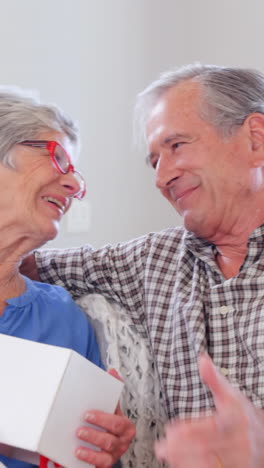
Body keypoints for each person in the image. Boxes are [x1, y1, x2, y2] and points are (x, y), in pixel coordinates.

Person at [21, 63, 264, 467]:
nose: (162, 176)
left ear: (255, 139)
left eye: (177, 146)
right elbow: (25, 264)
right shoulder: (151, 261)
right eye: (154, 161)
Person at [0, 86, 134, 468]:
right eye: (58, 158)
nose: (75, 187)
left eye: (76, 174)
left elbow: (77, 458)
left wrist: (98, 449)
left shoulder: (62, 317)